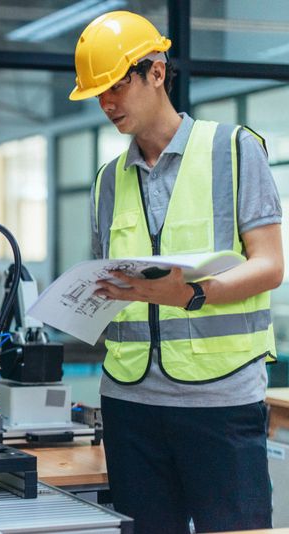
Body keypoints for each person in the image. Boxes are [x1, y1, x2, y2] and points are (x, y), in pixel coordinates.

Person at [69, 11, 284, 534]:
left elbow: (271, 265)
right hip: (128, 403)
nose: (108, 104)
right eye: (98, 94)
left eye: (117, 86)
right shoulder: (105, 181)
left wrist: (191, 295)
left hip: (220, 401)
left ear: (157, 73)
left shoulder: (234, 150)